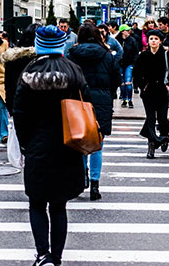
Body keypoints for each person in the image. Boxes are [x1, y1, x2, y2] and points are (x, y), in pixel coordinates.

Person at [13, 25, 90, 266]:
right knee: (59, 205)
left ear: (38, 45)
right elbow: (87, 103)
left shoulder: (28, 72)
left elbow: (19, 112)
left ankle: (42, 253)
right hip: (69, 144)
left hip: (38, 145)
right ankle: (56, 257)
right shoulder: (74, 71)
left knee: (36, 202)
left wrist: (25, 144)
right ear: (62, 44)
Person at [67, 23, 120, 201]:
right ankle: (95, 183)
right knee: (97, 143)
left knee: (79, 141)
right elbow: (116, 79)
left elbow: (69, 79)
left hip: (79, 100)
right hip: (102, 100)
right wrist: (109, 93)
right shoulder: (107, 54)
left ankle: (83, 177)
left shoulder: (72, 54)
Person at [133, 29, 169, 159]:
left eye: (156, 39)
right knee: (150, 118)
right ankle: (151, 145)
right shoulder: (143, 55)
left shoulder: (167, 55)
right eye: (151, 38)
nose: (153, 41)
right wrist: (142, 86)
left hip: (163, 91)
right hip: (148, 91)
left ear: (160, 41)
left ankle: (164, 135)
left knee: (162, 117)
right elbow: (137, 72)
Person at [1, 24, 39, 116]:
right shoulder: (41, 58)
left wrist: (10, 106)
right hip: (38, 106)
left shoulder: (12, 58)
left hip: (18, 104)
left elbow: (9, 86)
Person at [116, 24, 139, 108]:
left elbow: (136, 52)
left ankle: (129, 99)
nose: (128, 31)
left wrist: (134, 63)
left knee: (128, 82)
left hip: (129, 64)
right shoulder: (117, 41)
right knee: (122, 83)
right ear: (122, 31)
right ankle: (124, 99)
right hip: (120, 64)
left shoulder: (132, 40)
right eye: (126, 30)